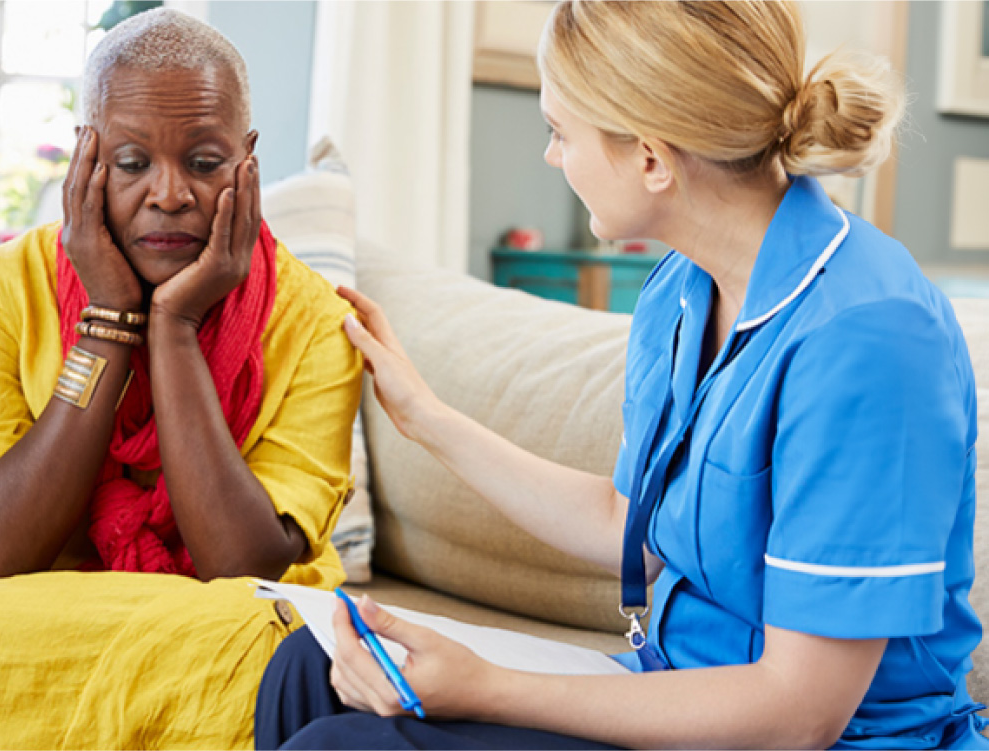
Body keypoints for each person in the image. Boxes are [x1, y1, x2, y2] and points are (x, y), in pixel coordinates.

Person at [256, 1, 989, 749]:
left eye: (560, 132)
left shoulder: (871, 338)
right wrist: (427, 419)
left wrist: (488, 685)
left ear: (650, 158)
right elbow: (628, 524)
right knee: (309, 665)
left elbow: (799, 714)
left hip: (832, 737)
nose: (552, 156)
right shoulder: (680, 290)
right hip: (674, 681)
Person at [0, 9, 362, 749]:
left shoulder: (317, 320)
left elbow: (239, 567)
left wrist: (175, 328)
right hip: (45, 599)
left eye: (205, 163)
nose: (170, 194)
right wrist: (108, 323)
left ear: (247, 163)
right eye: (131, 163)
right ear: (85, 157)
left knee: (257, 641)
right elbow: (0, 550)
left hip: (225, 614)